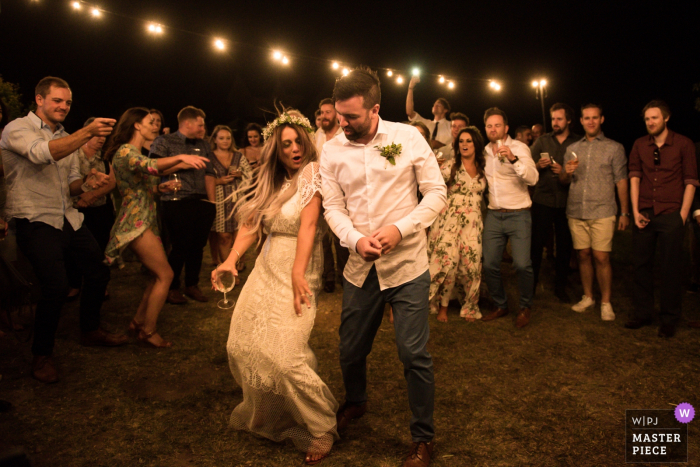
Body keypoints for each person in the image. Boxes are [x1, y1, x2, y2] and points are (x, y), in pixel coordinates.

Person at [322, 66, 446, 467]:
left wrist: (400, 228)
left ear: (375, 109)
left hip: (407, 265)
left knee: (413, 354)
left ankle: (422, 439)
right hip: (360, 268)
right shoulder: (331, 149)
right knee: (349, 349)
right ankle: (356, 400)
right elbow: (333, 206)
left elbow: (436, 193)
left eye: (352, 117)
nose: (343, 124)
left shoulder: (407, 138)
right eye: (340, 115)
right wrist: (355, 240)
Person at [214, 111, 338, 466]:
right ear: (276, 150)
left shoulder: (313, 174)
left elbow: (309, 226)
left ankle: (321, 425)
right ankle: (275, 414)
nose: (295, 148)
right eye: (286, 144)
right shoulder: (274, 181)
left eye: (299, 140)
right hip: (266, 269)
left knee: (285, 356)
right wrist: (230, 260)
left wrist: (300, 273)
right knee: (241, 344)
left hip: (299, 270)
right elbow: (252, 224)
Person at [0, 76, 127, 383]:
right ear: (39, 99)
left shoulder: (69, 137)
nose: (63, 106)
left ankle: (90, 329)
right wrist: (88, 132)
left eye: (68, 102)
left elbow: (71, 185)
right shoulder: (17, 128)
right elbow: (43, 153)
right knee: (55, 286)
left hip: (68, 218)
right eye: (57, 100)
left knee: (98, 271)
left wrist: (88, 183)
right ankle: (41, 355)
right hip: (35, 219)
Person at [105, 108, 208, 347]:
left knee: (156, 275)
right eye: (150, 122)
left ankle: (138, 322)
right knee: (166, 275)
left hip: (147, 219)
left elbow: (147, 182)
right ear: (136, 126)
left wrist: (160, 188)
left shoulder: (135, 151)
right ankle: (149, 331)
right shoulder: (125, 151)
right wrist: (181, 158)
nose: (155, 126)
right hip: (135, 222)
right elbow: (149, 166)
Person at [627, 100, 698, 338]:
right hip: (645, 212)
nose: (650, 122)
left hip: (671, 214)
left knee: (670, 268)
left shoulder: (683, 144)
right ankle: (643, 313)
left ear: (666, 118)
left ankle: (669, 318)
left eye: (654, 118)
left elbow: (691, 181)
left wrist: (683, 215)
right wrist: (635, 211)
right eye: (647, 119)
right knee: (641, 266)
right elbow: (635, 177)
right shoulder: (639, 144)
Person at [559, 103, 628, 321]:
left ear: (602, 120)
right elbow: (563, 179)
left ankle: (606, 302)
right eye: (586, 118)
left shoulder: (614, 148)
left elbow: (621, 181)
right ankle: (588, 296)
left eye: (594, 118)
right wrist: (566, 172)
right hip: (577, 209)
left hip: (603, 210)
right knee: (582, 255)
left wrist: (624, 212)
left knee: (601, 257)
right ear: (580, 121)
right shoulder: (573, 148)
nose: (590, 121)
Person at [149, 106, 217, 304]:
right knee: (180, 245)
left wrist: (211, 203)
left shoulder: (204, 145)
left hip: (202, 202)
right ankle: (171, 287)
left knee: (198, 246)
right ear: (187, 123)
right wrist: (181, 164)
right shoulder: (164, 142)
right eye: (200, 124)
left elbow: (210, 173)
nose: (203, 128)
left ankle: (192, 284)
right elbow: (152, 169)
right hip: (175, 201)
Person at [479, 107, 538, 328]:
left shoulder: (519, 148)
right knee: (490, 264)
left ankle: (525, 307)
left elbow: (533, 178)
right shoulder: (484, 151)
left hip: (519, 214)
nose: (493, 129)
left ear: (506, 127)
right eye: (489, 126)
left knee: (522, 265)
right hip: (494, 214)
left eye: (497, 125)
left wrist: (514, 159)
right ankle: (500, 304)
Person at [428, 127, 486, 322]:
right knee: (448, 264)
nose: (464, 145)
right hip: (449, 223)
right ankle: (442, 306)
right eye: (461, 141)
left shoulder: (483, 169)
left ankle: (470, 306)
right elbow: (430, 185)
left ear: (476, 144)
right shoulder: (450, 166)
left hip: (473, 226)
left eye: (469, 141)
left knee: (471, 266)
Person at [529, 103, 579, 303]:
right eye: (553, 119)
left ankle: (560, 286)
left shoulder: (577, 143)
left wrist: (565, 173)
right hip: (543, 199)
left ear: (568, 120)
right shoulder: (542, 141)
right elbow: (528, 169)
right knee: (536, 244)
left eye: (559, 119)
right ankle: (530, 286)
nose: (555, 123)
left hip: (567, 201)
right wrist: (537, 166)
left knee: (565, 245)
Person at [66, 117, 117, 300]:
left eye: (104, 136)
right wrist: (82, 197)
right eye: (97, 135)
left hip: (99, 209)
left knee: (100, 247)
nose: (101, 139)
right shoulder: (72, 154)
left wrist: (91, 196)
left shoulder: (104, 157)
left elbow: (112, 182)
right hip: (75, 208)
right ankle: (74, 284)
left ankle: (99, 285)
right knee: (73, 250)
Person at [315, 98, 348, 292]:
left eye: (328, 112)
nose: (324, 116)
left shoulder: (344, 136)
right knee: (322, 237)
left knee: (340, 236)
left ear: (336, 114)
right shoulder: (316, 136)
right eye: (321, 112)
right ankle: (327, 275)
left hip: (339, 193)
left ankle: (344, 275)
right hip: (318, 191)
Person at [208, 125, 252, 267]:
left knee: (240, 235)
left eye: (228, 138)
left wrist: (241, 175)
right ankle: (228, 267)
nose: (225, 141)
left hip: (238, 199)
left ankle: (240, 263)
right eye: (221, 138)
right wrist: (218, 181)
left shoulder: (238, 156)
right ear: (215, 139)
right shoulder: (209, 157)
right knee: (224, 236)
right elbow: (203, 179)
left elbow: (250, 176)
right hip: (220, 200)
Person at [405, 76, 452, 150]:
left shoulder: (451, 125)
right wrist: (410, 88)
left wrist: (440, 145)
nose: (435, 105)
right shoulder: (425, 123)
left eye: (439, 104)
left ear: (445, 110)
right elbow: (409, 112)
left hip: (445, 159)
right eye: (434, 104)